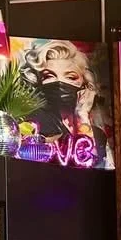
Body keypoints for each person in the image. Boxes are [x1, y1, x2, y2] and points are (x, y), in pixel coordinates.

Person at [20, 39, 111, 167]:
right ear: (38, 82)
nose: (59, 82)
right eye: (49, 76)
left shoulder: (97, 134)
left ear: (85, 84)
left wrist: (81, 115)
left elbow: (92, 166)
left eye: (71, 77)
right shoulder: (34, 123)